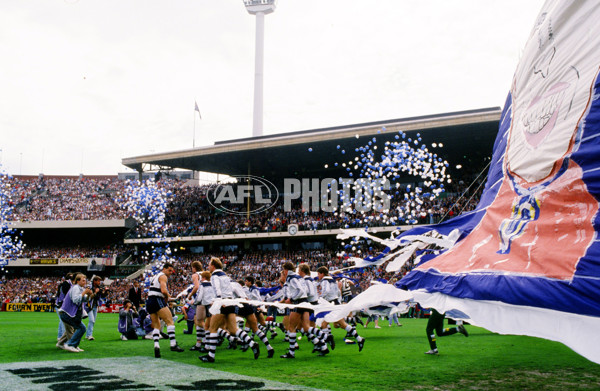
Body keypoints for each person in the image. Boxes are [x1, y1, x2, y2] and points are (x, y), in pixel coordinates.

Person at [199, 257, 259, 363]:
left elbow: (217, 289)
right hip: (230, 302)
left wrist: (218, 301)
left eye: (209, 265)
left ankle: (211, 356)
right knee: (233, 329)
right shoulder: (225, 275)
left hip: (222, 302)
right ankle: (252, 343)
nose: (208, 267)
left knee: (212, 328)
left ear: (213, 266)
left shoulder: (214, 276)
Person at [317, 266, 365, 352]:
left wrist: (320, 298)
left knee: (323, 324)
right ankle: (359, 339)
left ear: (322, 273)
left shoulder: (324, 280)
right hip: (335, 302)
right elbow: (338, 292)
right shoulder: (333, 280)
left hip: (330, 304)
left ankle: (324, 345)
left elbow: (326, 291)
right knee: (341, 324)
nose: (318, 276)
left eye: (318, 274)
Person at [146, 262, 185, 358]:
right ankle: (173, 344)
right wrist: (168, 295)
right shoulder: (163, 276)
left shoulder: (155, 276)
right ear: (164, 269)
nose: (171, 272)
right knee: (170, 321)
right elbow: (163, 291)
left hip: (149, 301)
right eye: (169, 270)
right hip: (157, 299)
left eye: (172, 271)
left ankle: (156, 346)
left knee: (156, 325)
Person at [58, 273, 93, 353]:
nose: (85, 282)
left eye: (85, 280)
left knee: (81, 328)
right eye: (83, 280)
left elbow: (83, 299)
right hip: (67, 313)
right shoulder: (76, 288)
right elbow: (76, 300)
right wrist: (84, 293)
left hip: (68, 313)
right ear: (78, 281)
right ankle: (70, 344)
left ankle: (73, 345)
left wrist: (89, 295)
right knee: (81, 328)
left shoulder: (79, 288)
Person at [85, 276, 106, 341]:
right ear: (94, 281)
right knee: (92, 320)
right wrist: (95, 292)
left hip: (95, 306)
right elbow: (89, 297)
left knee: (93, 321)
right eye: (98, 281)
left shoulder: (99, 288)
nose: (99, 282)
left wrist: (104, 293)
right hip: (89, 306)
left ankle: (88, 334)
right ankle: (89, 335)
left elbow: (101, 297)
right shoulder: (89, 287)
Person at [55, 273, 74, 341]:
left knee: (62, 321)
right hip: (62, 305)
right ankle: (63, 337)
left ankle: (60, 336)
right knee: (64, 321)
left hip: (59, 304)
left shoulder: (63, 284)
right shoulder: (66, 285)